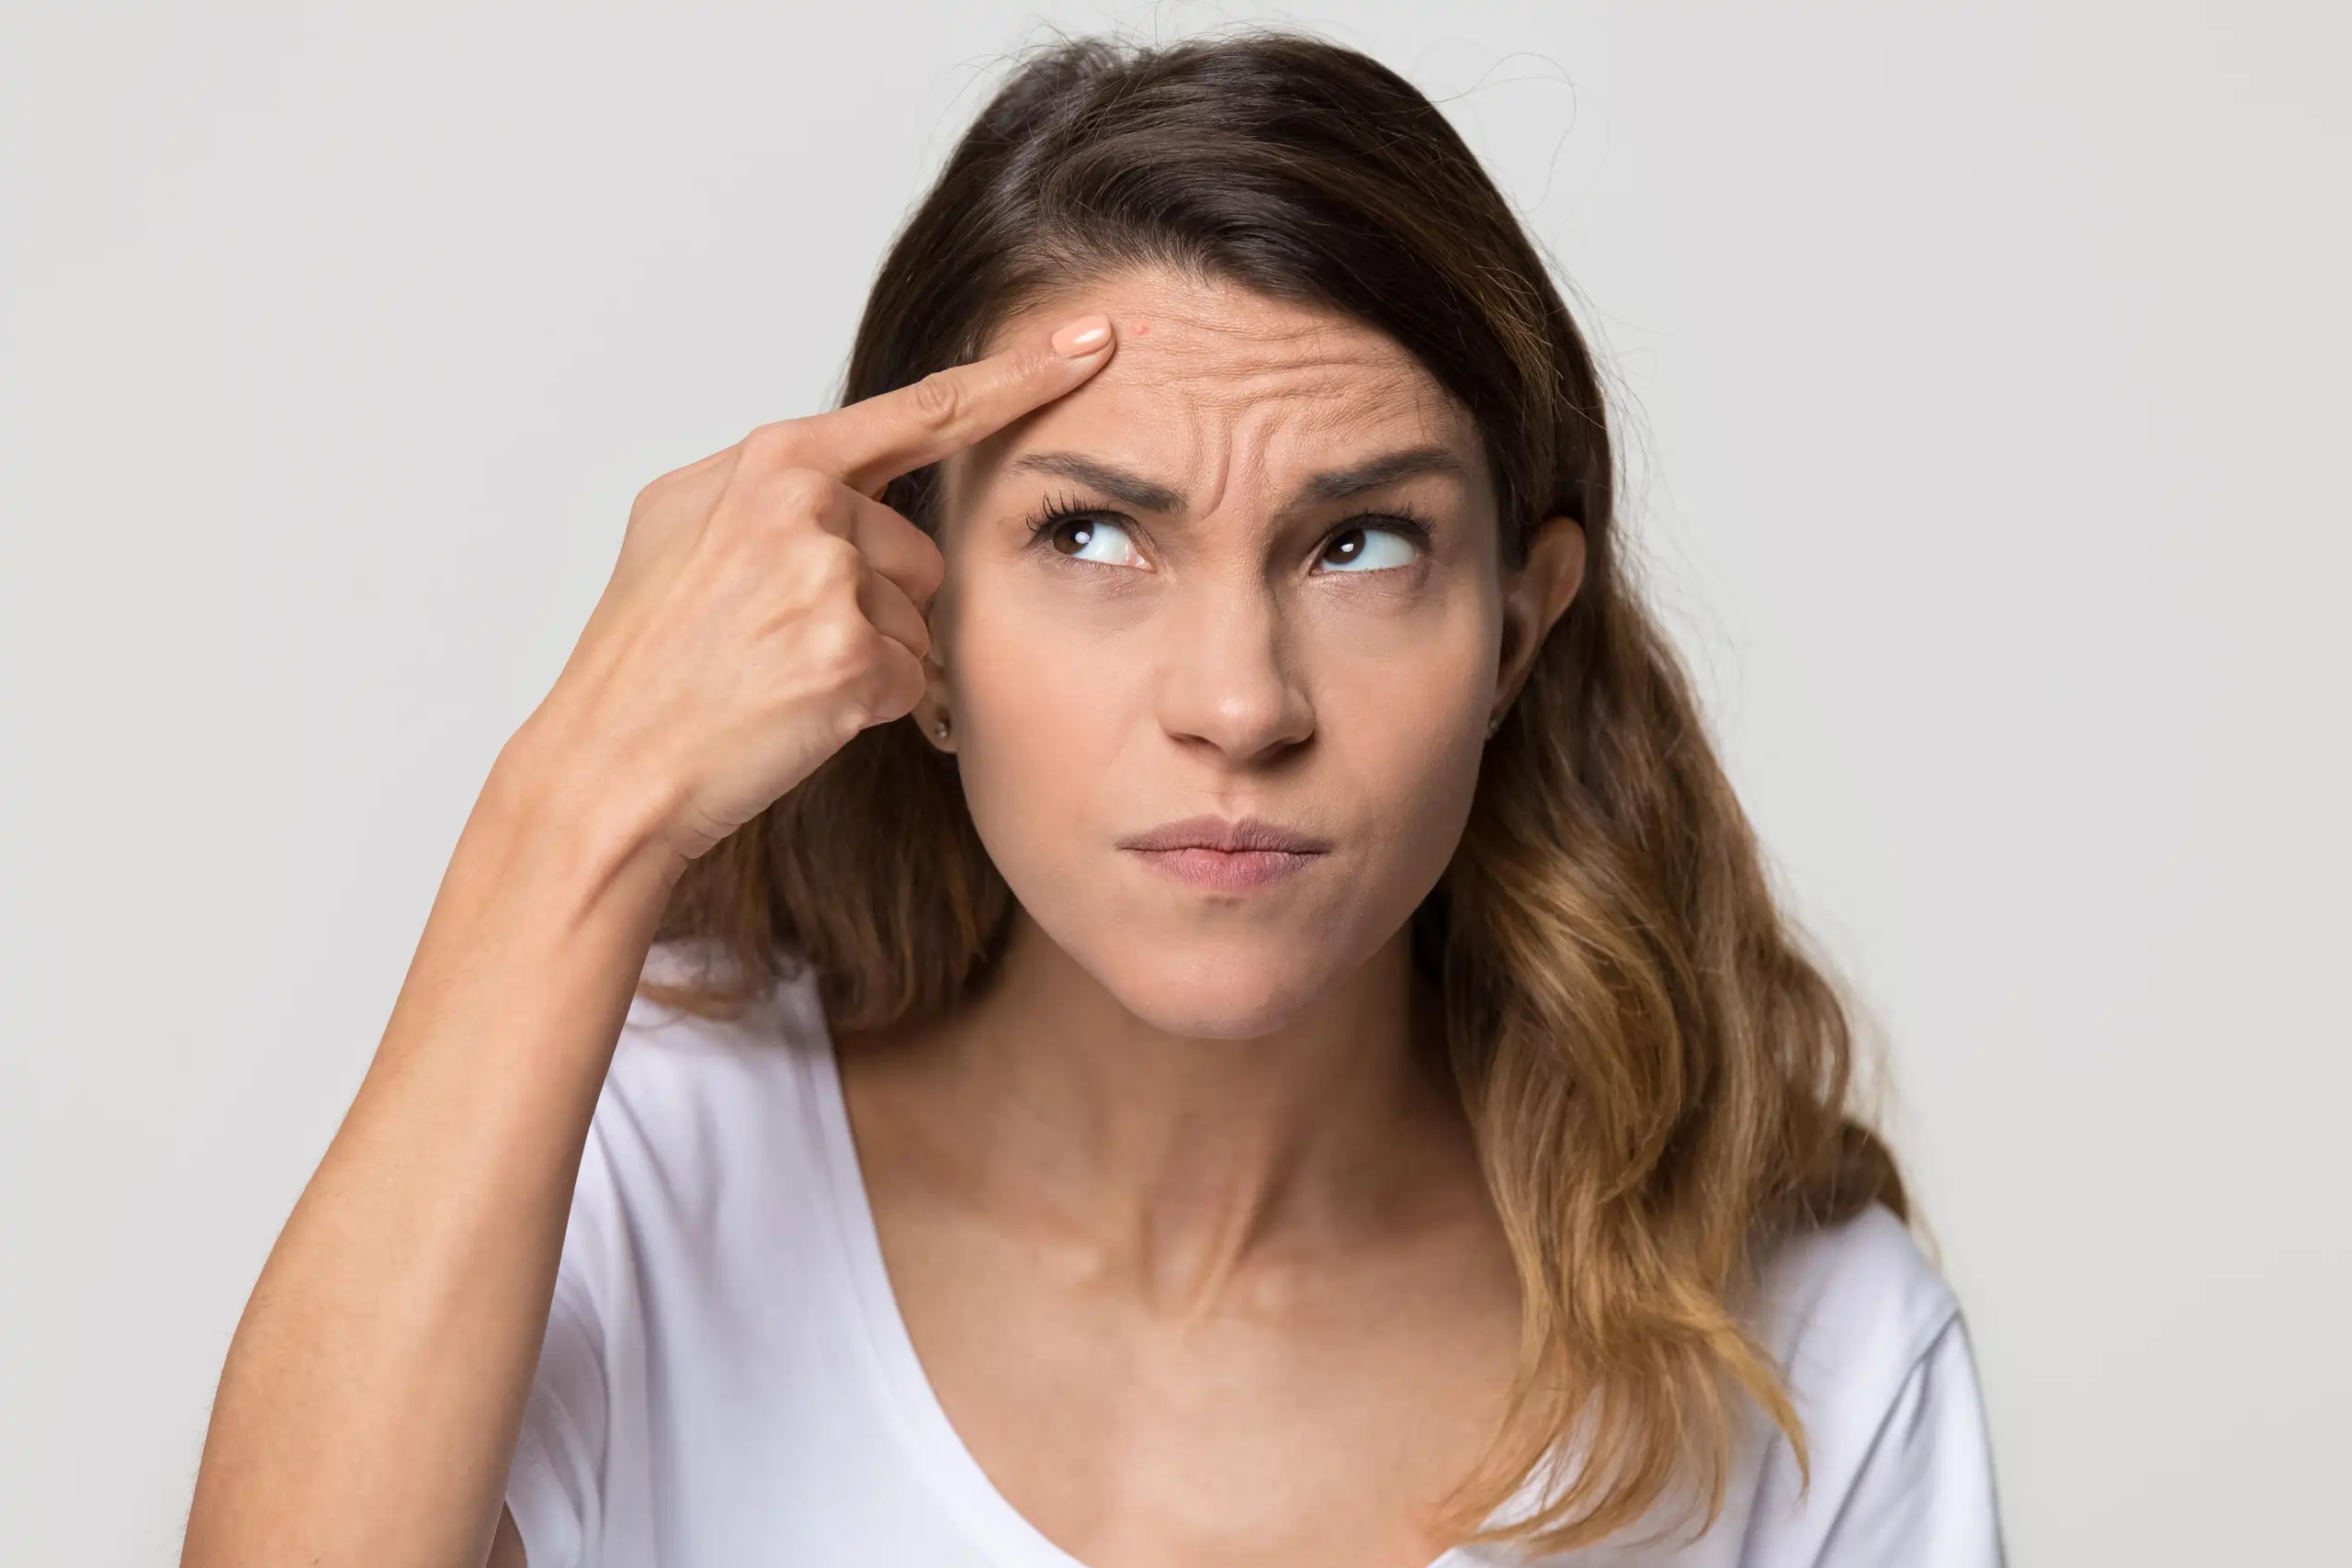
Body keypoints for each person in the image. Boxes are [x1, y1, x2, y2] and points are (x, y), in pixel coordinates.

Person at [180, 30, 2004, 1568]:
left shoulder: (1807, 1355)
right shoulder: (635, 1178)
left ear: (1516, 633)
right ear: (912, 611)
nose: (1237, 702)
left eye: (1357, 543)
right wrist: (581, 797)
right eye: (1089, 531)